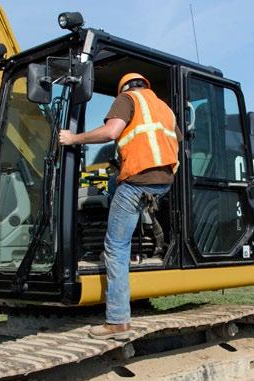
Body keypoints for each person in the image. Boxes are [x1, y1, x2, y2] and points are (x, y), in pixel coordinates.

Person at [59, 73, 182, 340]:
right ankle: (142, 233)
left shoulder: (127, 99)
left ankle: (117, 321)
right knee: (115, 184)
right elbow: (173, 141)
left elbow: (110, 132)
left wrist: (73, 139)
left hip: (138, 181)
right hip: (162, 182)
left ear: (123, 88)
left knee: (115, 247)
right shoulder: (164, 108)